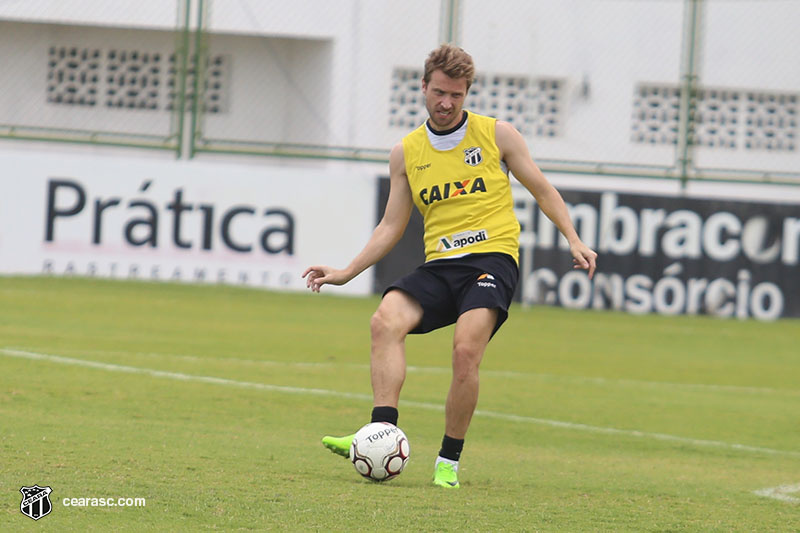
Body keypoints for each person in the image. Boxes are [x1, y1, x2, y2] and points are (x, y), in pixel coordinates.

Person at [302, 43, 597, 489]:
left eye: (456, 95)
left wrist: (573, 238)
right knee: (384, 321)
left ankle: (448, 462)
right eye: (439, 92)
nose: (446, 103)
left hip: (492, 260)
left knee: (465, 351)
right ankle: (379, 434)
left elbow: (542, 188)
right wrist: (347, 271)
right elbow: (391, 225)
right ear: (423, 87)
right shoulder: (406, 152)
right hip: (440, 265)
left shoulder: (498, 135)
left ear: (466, 94)